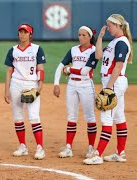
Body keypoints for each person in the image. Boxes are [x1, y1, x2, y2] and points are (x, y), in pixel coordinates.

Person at [83, 14, 133, 165]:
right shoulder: (114, 42)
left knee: (106, 116)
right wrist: (100, 38)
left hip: (114, 82)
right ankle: (120, 153)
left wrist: (109, 88)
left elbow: (118, 66)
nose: (107, 27)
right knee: (119, 117)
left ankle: (98, 154)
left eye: (109, 25)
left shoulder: (121, 43)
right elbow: (98, 55)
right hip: (113, 82)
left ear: (117, 25)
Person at [53, 26, 99, 158]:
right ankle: (68, 147)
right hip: (72, 84)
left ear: (90, 37)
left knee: (90, 117)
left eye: (84, 35)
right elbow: (60, 66)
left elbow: (85, 71)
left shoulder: (94, 51)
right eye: (79, 35)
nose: (81, 37)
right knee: (71, 117)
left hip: (86, 84)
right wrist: (56, 84)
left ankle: (91, 148)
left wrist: (69, 70)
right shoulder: (73, 50)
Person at [4, 24, 46, 160]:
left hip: (31, 84)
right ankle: (22, 146)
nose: (22, 34)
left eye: (25, 32)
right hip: (16, 84)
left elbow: (40, 68)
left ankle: (40, 147)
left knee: (34, 117)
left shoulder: (37, 49)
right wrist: (6, 90)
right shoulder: (13, 50)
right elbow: (9, 70)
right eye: (20, 32)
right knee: (18, 117)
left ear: (30, 34)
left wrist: (39, 86)